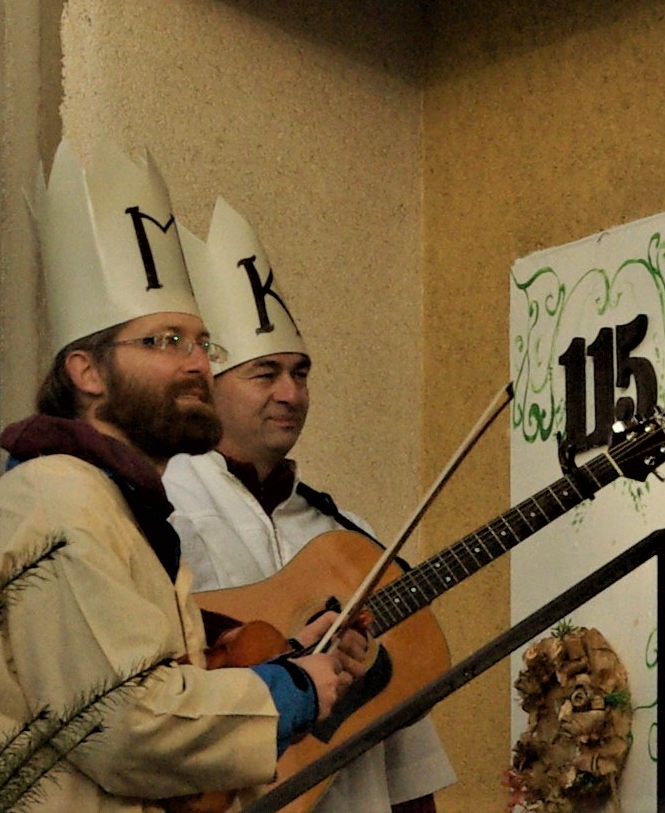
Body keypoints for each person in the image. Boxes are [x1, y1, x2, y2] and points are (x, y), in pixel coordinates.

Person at [0, 140, 368, 811]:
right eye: (166, 341)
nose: (199, 364)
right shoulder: (55, 497)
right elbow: (128, 725)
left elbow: (147, 688)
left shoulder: (117, 504)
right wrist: (288, 692)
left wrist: (282, 659)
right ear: (87, 372)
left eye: (201, 343)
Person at [163, 197, 456, 813]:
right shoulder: (164, 509)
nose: (291, 394)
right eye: (265, 374)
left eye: (300, 374)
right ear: (209, 384)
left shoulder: (346, 536)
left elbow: (400, 725)